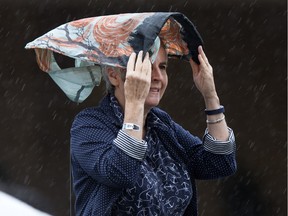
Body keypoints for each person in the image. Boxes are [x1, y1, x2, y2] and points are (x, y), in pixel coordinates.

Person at [70, 44, 236, 216]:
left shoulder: (160, 123)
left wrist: (210, 96)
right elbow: (121, 172)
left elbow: (219, 164)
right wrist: (134, 104)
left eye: (162, 67)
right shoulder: (89, 124)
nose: (157, 77)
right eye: (146, 67)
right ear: (114, 75)